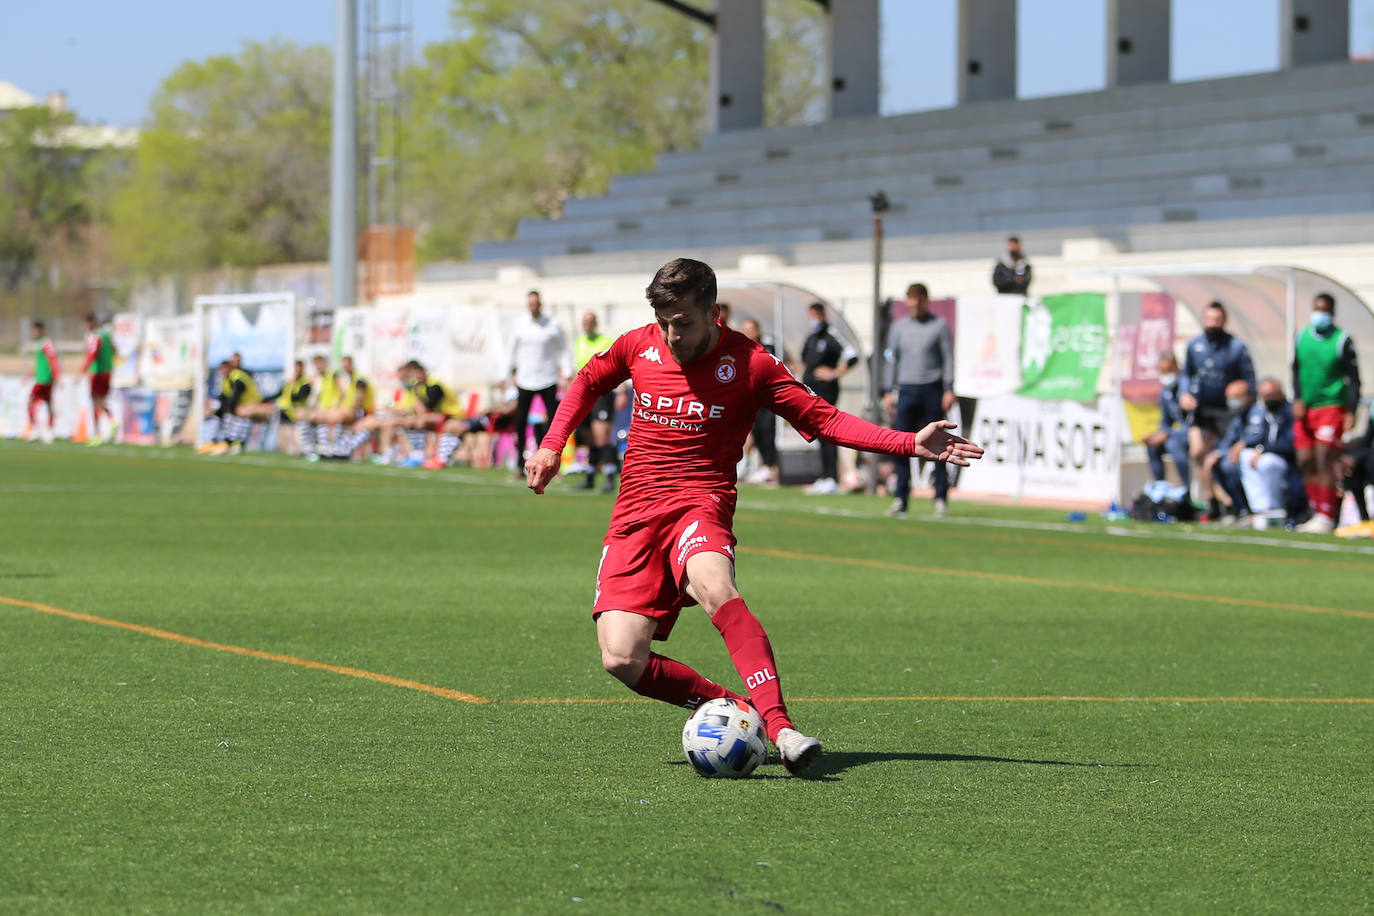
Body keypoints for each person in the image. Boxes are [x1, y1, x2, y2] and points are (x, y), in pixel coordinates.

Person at [523, 258, 984, 775]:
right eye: (665, 323)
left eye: (685, 323)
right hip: (634, 514)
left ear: (714, 313)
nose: (673, 335)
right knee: (621, 659)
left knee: (715, 585)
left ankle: (781, 727)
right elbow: (588, 380)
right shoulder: (638, 344)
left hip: (701, 501)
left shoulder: (752, 364)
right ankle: (739, 710)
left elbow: (823, 417)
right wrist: (550, 447)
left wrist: (908, 443)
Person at [883, 283, 956, 518]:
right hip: (906, 390)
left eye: (917, 300)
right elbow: (891, 359)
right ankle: (901, 497)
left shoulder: (939, 325)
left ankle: (940, 497)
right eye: (910, 300)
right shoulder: (898, 327)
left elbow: (948, 357)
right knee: (901, 444)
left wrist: (949, 387)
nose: (913, 304)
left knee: (938, 444)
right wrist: (887, 390)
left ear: (925, 300)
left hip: (932, 389)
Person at [1291, 292, 1361, 534]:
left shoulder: (1342, 340)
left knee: (1324, 457)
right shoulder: (1301, 336)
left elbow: (1354, 380)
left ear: (1332, 313)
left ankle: (1327, 514)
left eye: (1324, 311)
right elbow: (1296, 369)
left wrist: (1351, 410)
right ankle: (1315, 507)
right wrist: (1298, 397)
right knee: (1305, 459)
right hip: (1307, 408)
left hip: (1331, 406)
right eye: (1316, 309)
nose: (1319, 315)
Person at [1180, 301, 1256, 520]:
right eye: (1209, 320)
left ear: (1224, 321)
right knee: (1197, 452)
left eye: (1217, 320)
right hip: (1202, 410)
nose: (1213, 324)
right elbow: (1187, 373)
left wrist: (1242, 391)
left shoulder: (1236, 347)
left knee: (1221, 456)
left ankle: (1232, 500)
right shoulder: (1195, 345)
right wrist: (1185, 394)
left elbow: (1250, 380)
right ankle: (1211, 498)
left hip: (1227, 412)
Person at [800, 302, 860, 494]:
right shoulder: (811, 338)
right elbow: (805, 361)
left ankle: (832, 477)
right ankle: (824, 475)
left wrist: (835, 373)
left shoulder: (832, 335)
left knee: (828, 432)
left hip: (827, 390)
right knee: (818, 433)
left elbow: (852, 356)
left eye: (816, 315)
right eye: (811, 315)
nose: (813, 319)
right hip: (811, 390)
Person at [509, 290, 572, 468]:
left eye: (536, 304)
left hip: (548, 378)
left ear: (540, 305)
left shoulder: (553, 324)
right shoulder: (519, 324)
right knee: (520, 422)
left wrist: (567, 371)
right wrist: (506, 374)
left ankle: (553, 463)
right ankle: (520, 465)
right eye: (531, 304)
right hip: (525, 379)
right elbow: (510, 350)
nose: (533, 307)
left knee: (553, 424)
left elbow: (564, 348)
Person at [1238, 378, 1300, 529]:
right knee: (1245, 456)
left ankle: (1275, 508)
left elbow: (1289, 442)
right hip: (1266, 454)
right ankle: (1259, 509)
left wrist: (1263, 450)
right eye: (1265, 396)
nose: (1269, 399)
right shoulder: (1262, 413)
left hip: (1286, 459)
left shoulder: (1290, 412)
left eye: (1272, 394)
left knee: (1267, 462)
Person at [573, 312, 620, 491]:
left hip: (602, 393)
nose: (587, 325)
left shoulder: (606, 341)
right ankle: (590, 476)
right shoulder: (579, 342)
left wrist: (622, 391)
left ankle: (609, 477)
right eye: (584, 322)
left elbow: (617, 366)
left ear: (596, 323)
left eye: (590, 322)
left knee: (602, 436)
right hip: (584, 393)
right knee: (588, 436)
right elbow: (578, 368)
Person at [1200, 379, 1255, 523]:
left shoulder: (1257, 412)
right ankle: (1237, 508)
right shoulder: (1238, 418)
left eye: (1236, 397)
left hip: (1256, 455)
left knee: (1229, 466)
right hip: (1239, 457)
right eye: (1230, 398)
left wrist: (1244, 443)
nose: (1233, 402)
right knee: (1216, 464)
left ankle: (1248, 509)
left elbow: (1257, 436)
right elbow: (1228, 441)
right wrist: (1218, 454)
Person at [1141, 353, 1190, 488]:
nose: (1165, 374)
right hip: (1175, 434)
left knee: (1173, 444)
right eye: (1162, 371)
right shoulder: (1165, 393)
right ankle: (1160, 487)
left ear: (1175, 367)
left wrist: (1168, 434)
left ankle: (1186, 489)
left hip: (1192, 435)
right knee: (1153, 446)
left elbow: (1192, 422)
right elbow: (1166, 421)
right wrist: (1157, 435)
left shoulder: (1186, 386)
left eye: (1168, 370)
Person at [740, 318, 779, 485]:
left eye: (751, 329)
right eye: (745, 329)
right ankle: (749, 467)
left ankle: (770, 468)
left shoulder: (768, 346)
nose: (748, 333)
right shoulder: (740, 348)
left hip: (767, 398)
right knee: (752, 433)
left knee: (767, 432)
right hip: (750, 398)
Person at [80, 313, 117, 445]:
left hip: (97, 373)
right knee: (101, 401)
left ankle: (97, 434)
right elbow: (114, 349)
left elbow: (92, 354)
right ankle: (112, 420)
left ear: (91, 323)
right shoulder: (106, 335)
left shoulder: (94, 336)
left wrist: (82, 371)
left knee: (95, 402)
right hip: (108, 372)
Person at [27, 320, 59, 444]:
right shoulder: (39, 343)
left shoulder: (46, 343)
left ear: (41, 330)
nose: (33, 333)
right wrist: (29, 375)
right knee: (47, 404)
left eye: (35, 330)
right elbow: (38, 364)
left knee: (32, 402)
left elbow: (53, 359)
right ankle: (47, 431)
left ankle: (38, 430)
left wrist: (57, 376)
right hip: (41, 378)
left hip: (44, 379)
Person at [274, 359, 312, 455]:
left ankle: (299, 448)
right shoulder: (289, 382)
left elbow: (296, 397)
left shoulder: (305, 383)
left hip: (297, 411)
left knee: (296, 429)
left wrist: (293, 383)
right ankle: (281, 447)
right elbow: (280, 393)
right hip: (285, 410)